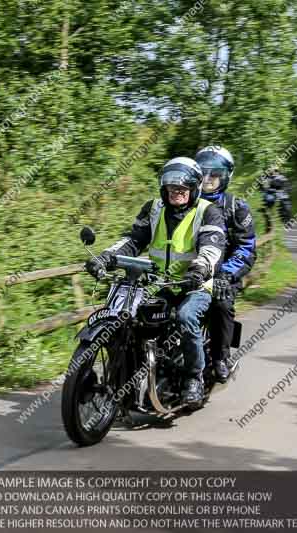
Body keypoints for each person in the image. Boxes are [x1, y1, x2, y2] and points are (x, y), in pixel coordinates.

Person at [85, 157, 226, 406]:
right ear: (164, 188)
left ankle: (194, 378)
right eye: (171, 187)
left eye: (182, 187)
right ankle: (126, 379)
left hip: (195, 285)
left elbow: (212, 248)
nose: (177, 192)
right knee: (129, 320)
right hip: (158, 283)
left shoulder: (208, 212)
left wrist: (200, 269)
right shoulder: (153, 208)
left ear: (195, 187)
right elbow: (133, 240)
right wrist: (106, 257)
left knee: (185, 317)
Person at [195, 146, 257, 382]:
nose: (209, 179)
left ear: (225, 176)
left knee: (221, 304)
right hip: (188, 272)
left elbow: (246, 248)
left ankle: (221, 357)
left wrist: (225, 275)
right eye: (204, 173)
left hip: (221, 275)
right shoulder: (184, 201)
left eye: (215, 174)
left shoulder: (236, 207)